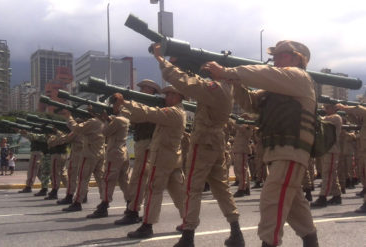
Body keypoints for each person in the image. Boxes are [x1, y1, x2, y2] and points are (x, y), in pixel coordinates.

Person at [201, 40, 318, 246]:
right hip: (277, 153)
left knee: (272, 201)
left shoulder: (299, 78)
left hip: (292, 151)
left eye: (281, 55)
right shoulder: (275, 89)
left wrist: (228, 71)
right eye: (275, 56)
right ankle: (311, 241)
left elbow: (265, 74)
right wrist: (234, 81)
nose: (275, 60)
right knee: (294, 206)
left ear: (296, 58)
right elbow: (250, 103)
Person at [153, 44, 245, 247]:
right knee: (221, 188)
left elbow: (186, 83)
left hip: (203, 143)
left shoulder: (216, 89)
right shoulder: (225, 89)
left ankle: (188, 236)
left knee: (192, 189)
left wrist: (162, 61)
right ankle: (236, 232)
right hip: (215, 143)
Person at [118, 86, 186, 239]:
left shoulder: (173, 112)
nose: (167, 96)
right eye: (167, 93)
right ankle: (189, 221)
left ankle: (147, 226)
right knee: (178, 192)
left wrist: (126, 102)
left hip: (162, 158)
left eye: (171, 94)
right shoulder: (177, 111)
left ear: (180, 96)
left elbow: (150, 113)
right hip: (172, 158)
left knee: (153, 190)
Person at [114, 79, 161, 225]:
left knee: (139, 178)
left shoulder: (154, 106)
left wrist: (124, 106)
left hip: (147, 143)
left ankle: (133, 211)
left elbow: (135, 116)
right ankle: (132, 209)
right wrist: (119, 108)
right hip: (141, 143)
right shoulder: (142, 105)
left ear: (151, 90)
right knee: (137, 178)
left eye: (144, 89)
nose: (141, 91)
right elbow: (131, 119)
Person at [86, 94, 131, 219]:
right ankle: (130, 204)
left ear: (119, 104)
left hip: (114, 152)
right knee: (124, 180)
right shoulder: (124, 118)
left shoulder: (118, 120)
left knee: (108, 179)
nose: (112, 106)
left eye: (114, 104)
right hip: (123, 152)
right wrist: (100, 116)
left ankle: (104, 205)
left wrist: (105, 120)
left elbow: (105, 132)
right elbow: (109, 120)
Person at [62, 109, 105, 212]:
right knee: (101, 180)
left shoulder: (93, 121)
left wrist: (69, 117)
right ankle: (105, 201)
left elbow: (76, 128)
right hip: (99, 153)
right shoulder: (103, 121)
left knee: (83, 179)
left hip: (89, 154)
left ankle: (77, 202)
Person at [335, 103, 366, 213]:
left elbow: (358, 109)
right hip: (363, 151)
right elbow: (356, 119)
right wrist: (347, 112)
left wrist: (344, 107)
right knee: (362, 173)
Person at [311, 104, 342, 207]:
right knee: (331, 173)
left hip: (332, 149)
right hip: (327, 149)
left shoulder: (336, 117)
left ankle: (323, 197)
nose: (326, 109)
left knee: (327, 173)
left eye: (328, 107)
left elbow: (321, 120)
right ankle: (337, 196)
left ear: (334, 108)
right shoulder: (329, 117)